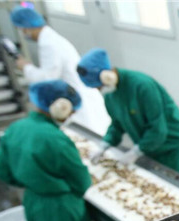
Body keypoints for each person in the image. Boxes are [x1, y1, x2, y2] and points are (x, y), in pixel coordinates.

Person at [0, 80, 101, 221]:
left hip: (33, 204)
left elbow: (1, 170)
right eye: (71, 110)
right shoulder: (56, 139)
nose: (71, 115)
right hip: (63, 209)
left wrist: (32, 181)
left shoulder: (15, 128)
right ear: (61, 107)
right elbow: (81, 181)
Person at [76, 48, 179, 180]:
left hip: (174, 146)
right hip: (151, 147)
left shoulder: (142, 86)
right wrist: (105, 144)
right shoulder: (110, 95)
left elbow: (158, 129)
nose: (99, 90)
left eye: (98, 86)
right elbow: (117, 124)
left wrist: (136, 151)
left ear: (106, 76)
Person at [10, 6, 110, 135]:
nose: (23, 33)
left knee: (87, 136)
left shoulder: (48, 44)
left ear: (26, 28)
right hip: (78, 96)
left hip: (77, 99)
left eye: (22, 29)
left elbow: (48, 79)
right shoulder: (51, 39)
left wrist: (25, 67)